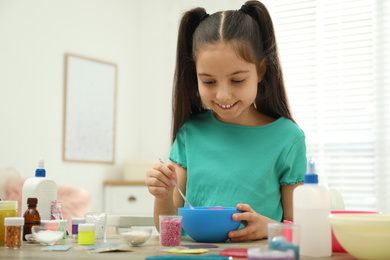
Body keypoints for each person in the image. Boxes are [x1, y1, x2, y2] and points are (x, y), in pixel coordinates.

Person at [145, 0, 307, 242]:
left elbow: (300, 230)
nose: (223, 95)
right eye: (209, 82)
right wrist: (162, 195)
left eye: (237, 80)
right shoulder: (190, 133)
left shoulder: (288, 138)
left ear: (261, 71)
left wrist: (269, 227)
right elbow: (169, 230)